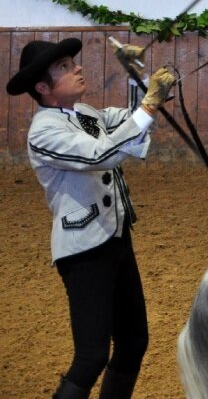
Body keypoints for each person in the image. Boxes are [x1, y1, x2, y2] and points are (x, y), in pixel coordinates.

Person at [5, 37, 176, 399]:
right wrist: (147, 104)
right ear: (42, 87)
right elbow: (100, 154)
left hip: (115, 237)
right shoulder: (44, 131)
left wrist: (141, 81)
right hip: (83, 251)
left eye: (73, 63)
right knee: (91, 356)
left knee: (133, 342)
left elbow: (129, 121)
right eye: (65, 66)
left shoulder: (85, 113)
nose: (77, 68)